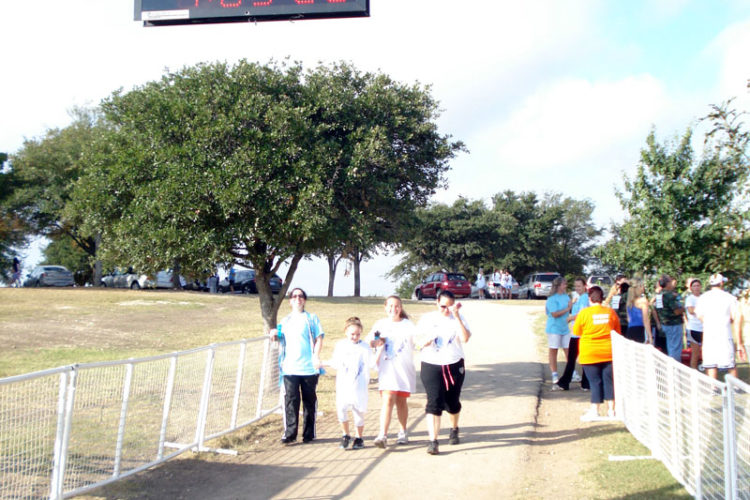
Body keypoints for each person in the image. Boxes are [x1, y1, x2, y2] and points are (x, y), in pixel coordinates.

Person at [417, 290, 471, 455]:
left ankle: (454, 428)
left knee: (452, 403)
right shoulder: (427, 319)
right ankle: (433, 441)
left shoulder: (458, 318)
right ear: (436, 303)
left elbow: (465, 338)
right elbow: (416, 341)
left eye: (449, 306)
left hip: (454, 365)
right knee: (433, 402)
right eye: (442, 306)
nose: (446, 310)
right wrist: (424, 342)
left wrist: (458, 317)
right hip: (431, 364)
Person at [271, 288, 324, 444]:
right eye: (294, 296)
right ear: (290, 301)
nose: (298, 298)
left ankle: (309, 433)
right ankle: (290, 433)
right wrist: (273, 333)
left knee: (309, 400)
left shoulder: (311, 318)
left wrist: (316, 356)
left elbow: (319, 338)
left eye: (301, 296)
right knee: (291, 400)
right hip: (290, 368)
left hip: (309, 368)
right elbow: (278, 338)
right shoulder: (285, 320)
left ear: (305, 300)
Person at [368, 295, 417, 448]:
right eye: (390, 306)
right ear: (385, 307)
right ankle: (382, 434)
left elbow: (418, 342)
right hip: (387, 370)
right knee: (388, 400)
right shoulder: (380, 324)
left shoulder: (408, 325)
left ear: (400, 308)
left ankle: (402, 431)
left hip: (404, 370)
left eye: (396, 306)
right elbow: (371, 341)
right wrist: (377, 342)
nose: (393, 309)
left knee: (401, 402)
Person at [574, 286, 622, 421]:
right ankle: (612, 410)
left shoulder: (584, 313)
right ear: (601, 298)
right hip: (608, 352)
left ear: (590, 298)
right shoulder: (610, 312)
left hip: (590, 352)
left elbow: (577, 331)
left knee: (595, 382)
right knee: (609, 381)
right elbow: (617, 331)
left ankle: (595, 409)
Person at [327, 317, 371, 450]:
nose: (355, 337)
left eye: (358, 334)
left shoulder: (364, 347)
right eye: (352, 334)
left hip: (359, 385)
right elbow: (335, 362)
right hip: (343, 384)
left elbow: (371, 363)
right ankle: (345, 434)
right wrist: (323, 363)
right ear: (346, 332)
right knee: (341, 410)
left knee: (358, 412)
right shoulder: (341, 345)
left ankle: (359, 437)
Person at [695, 274, 746, 380]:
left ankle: (713, 387)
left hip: (709, 334)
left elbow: (699, 315)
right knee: (730, 364)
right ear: (722, 283)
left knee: (711, 363)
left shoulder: (703, 298)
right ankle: (735, 387)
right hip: (724, 334)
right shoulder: (730, 298)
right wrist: (740, 343)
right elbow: (735, 317)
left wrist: (710, 323)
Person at [556, 277, 589, 391]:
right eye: (576, 286)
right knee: (574, 358)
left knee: (573, 358)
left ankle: (566, 382)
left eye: (579, 286)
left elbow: (582, 313)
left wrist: (570, 318)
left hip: (580, 333)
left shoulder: (584, 298)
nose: (577, 288)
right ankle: (583, 383)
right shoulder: (578, 297)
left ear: (585, 286)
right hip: (576, 331)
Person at [545, 276, 571, 384]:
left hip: (564, 327)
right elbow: (554, 314)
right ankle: (554, 373)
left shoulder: (566, 297)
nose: (566, 286)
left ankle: (571, 371)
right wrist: (567, 309)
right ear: (559, 286)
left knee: (568, 350)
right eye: (564, 284)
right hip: (554, 328)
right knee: (554, 350)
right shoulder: (552, 299)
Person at [654, 274, 684, 361]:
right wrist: (684, 307)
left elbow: (657, 308)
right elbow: (676, 311)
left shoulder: (659, 295)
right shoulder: (669, 295)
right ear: (667, 283)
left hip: (664, 323)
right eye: (670, 281)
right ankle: (675, 369)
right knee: (675, 348)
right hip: (673, 324)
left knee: (670, 347)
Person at [684, 278, 704, 369]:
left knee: (705, 352)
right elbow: (691, 310)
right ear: (691, 288)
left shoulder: (704, 298)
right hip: (693, 328)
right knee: (695, 353)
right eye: (694, 286)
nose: (696, 288)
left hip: (703, 327)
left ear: (700, 287)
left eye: (698, 286)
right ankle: (693, 372)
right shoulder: (689, 298)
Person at [625, 278, 652, 344]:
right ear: (639, 287)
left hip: (630, 330)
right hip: (640, 330)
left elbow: (628, 319)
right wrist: (650, 336)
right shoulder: (643, 301)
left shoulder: (629, 302)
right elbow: (646, 320)